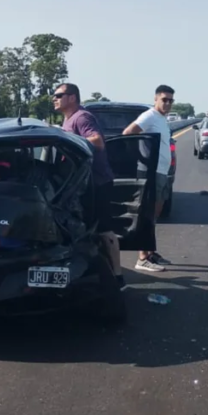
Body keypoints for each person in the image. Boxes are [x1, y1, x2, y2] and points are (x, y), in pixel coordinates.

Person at [54, 82, 124, 288]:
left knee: (104, 230)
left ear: (72, 97)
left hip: (97, 182)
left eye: (59, 94)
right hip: (79, 185)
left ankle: (118, 276)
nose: (54, 98)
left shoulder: (82, 117)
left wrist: (68, 140)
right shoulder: (67, 120)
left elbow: (97, 141)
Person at [122, 85, 175, 272]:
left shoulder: (162, 119)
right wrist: (141, 158)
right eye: (164, 99)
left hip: (161, 172)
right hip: (150, 172)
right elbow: (128, 133)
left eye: (170, 100)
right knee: (147, 214)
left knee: (155, 214)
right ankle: (142, 257)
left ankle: (150, 251)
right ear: (155, 99)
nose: (167, 103)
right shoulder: (149, 116)